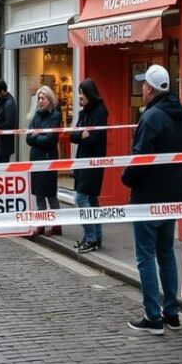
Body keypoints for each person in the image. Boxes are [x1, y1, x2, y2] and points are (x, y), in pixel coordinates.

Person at [122, 64, 182, 335]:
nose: (142, 88)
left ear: (149, 89)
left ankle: (152, 316)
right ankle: (171, 313)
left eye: (143, 84)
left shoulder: (151, 117)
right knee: (165, 253)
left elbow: (140, 158)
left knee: (145, 256)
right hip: (173, 196)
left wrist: (127, 179)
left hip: (148, 197)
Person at [70, 79, 108, 254]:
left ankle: (91, 237)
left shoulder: (100, 112)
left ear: (89, 94)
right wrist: (81, 135)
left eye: (82, 93)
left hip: (93, 162)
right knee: (91, 199)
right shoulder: (83, 112)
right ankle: (95, 237)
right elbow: (73, 136)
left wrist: (83, 136)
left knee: (80, 198)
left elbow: (95, 138)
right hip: (82, 160)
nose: (79, 96)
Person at [26, 86, 62, 238]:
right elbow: (28, 138)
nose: (40, 101)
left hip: (48, 159)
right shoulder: (36, 115)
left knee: (50, 194)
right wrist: (36, 136)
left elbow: (50, 139)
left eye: (43, 98)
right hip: (35, 158)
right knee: (38, 194)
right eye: (39, 98)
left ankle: (57, 225)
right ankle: (40, 224)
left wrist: (36, 136)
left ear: (50, 99)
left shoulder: (55, 116)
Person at [0, 79, 16, 164]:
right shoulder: (3, 101)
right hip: (0, 142)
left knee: (2, 164)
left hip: (4, 144)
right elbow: (1, 116)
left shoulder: (9, 103)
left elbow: (9, 123)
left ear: (2, 91)